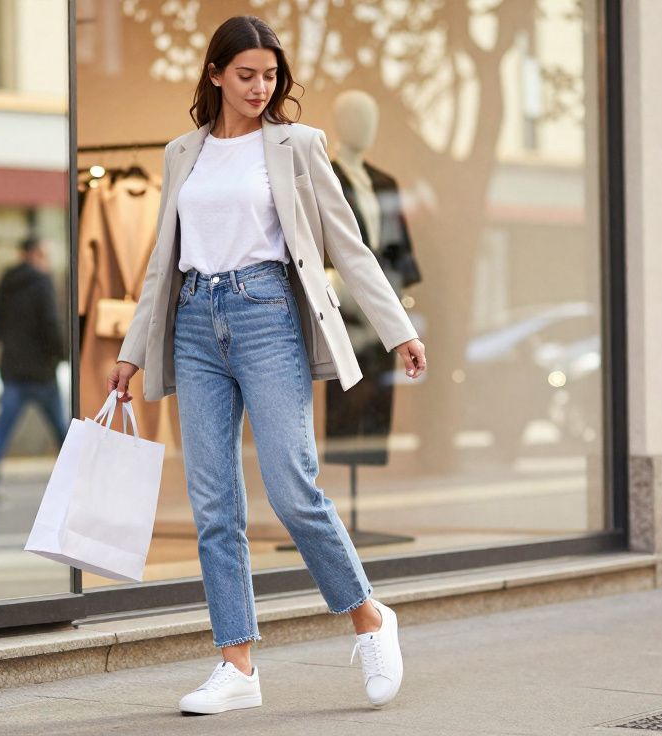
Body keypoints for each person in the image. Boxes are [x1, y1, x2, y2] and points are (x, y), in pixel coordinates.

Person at [108, 15, 428, 715]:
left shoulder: (299, 146)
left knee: (291, 488)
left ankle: (369, 616)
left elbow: (348, 245)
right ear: (216, 74)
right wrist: (132, 353)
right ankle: (237, 665)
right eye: (246, 74)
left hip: (266, 318)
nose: (260, 88)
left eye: (271, 75)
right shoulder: (180, 153)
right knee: (213, 504)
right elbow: (162, 264)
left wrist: (396, 328)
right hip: (193, 323)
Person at [0, 236, 69, 507]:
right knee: (63, 432)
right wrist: (61, 354)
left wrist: (9, 345)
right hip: (41, 372)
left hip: (13, 370)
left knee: (3, 429)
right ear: (34, 254)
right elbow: (51, 324)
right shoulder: (42, 283)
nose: (48, 260)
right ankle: (80, 481)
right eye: (44, 254)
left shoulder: (6, 282)